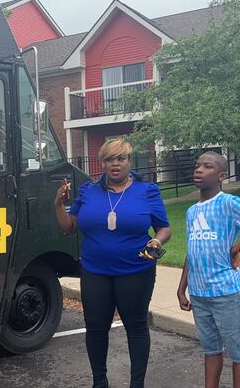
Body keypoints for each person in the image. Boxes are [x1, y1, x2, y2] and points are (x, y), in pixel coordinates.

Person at [55, 138, 172, 388]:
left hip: (136, 270)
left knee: (136, 327)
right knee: (96, 328)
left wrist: (157, 241)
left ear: (129, 161)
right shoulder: (88, 191)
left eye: (121, 158)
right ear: (103, 163)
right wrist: (58, 205)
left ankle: (137, 384)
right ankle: (100, 382)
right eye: (110, 160)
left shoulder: (147, 191)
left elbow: (164, 228)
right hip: (95, 271)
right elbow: (68, 227)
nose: (115, 164)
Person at [176, 151, 240, 388]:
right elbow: (191, 251)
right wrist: (182, 289)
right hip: (199, 294)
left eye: (207, 166)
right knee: (211, 349)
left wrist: (239, 246)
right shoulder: (191, 212)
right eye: (197, 165)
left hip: (226, 291)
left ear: (222, 175)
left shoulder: (229, 203)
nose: (199, 169)